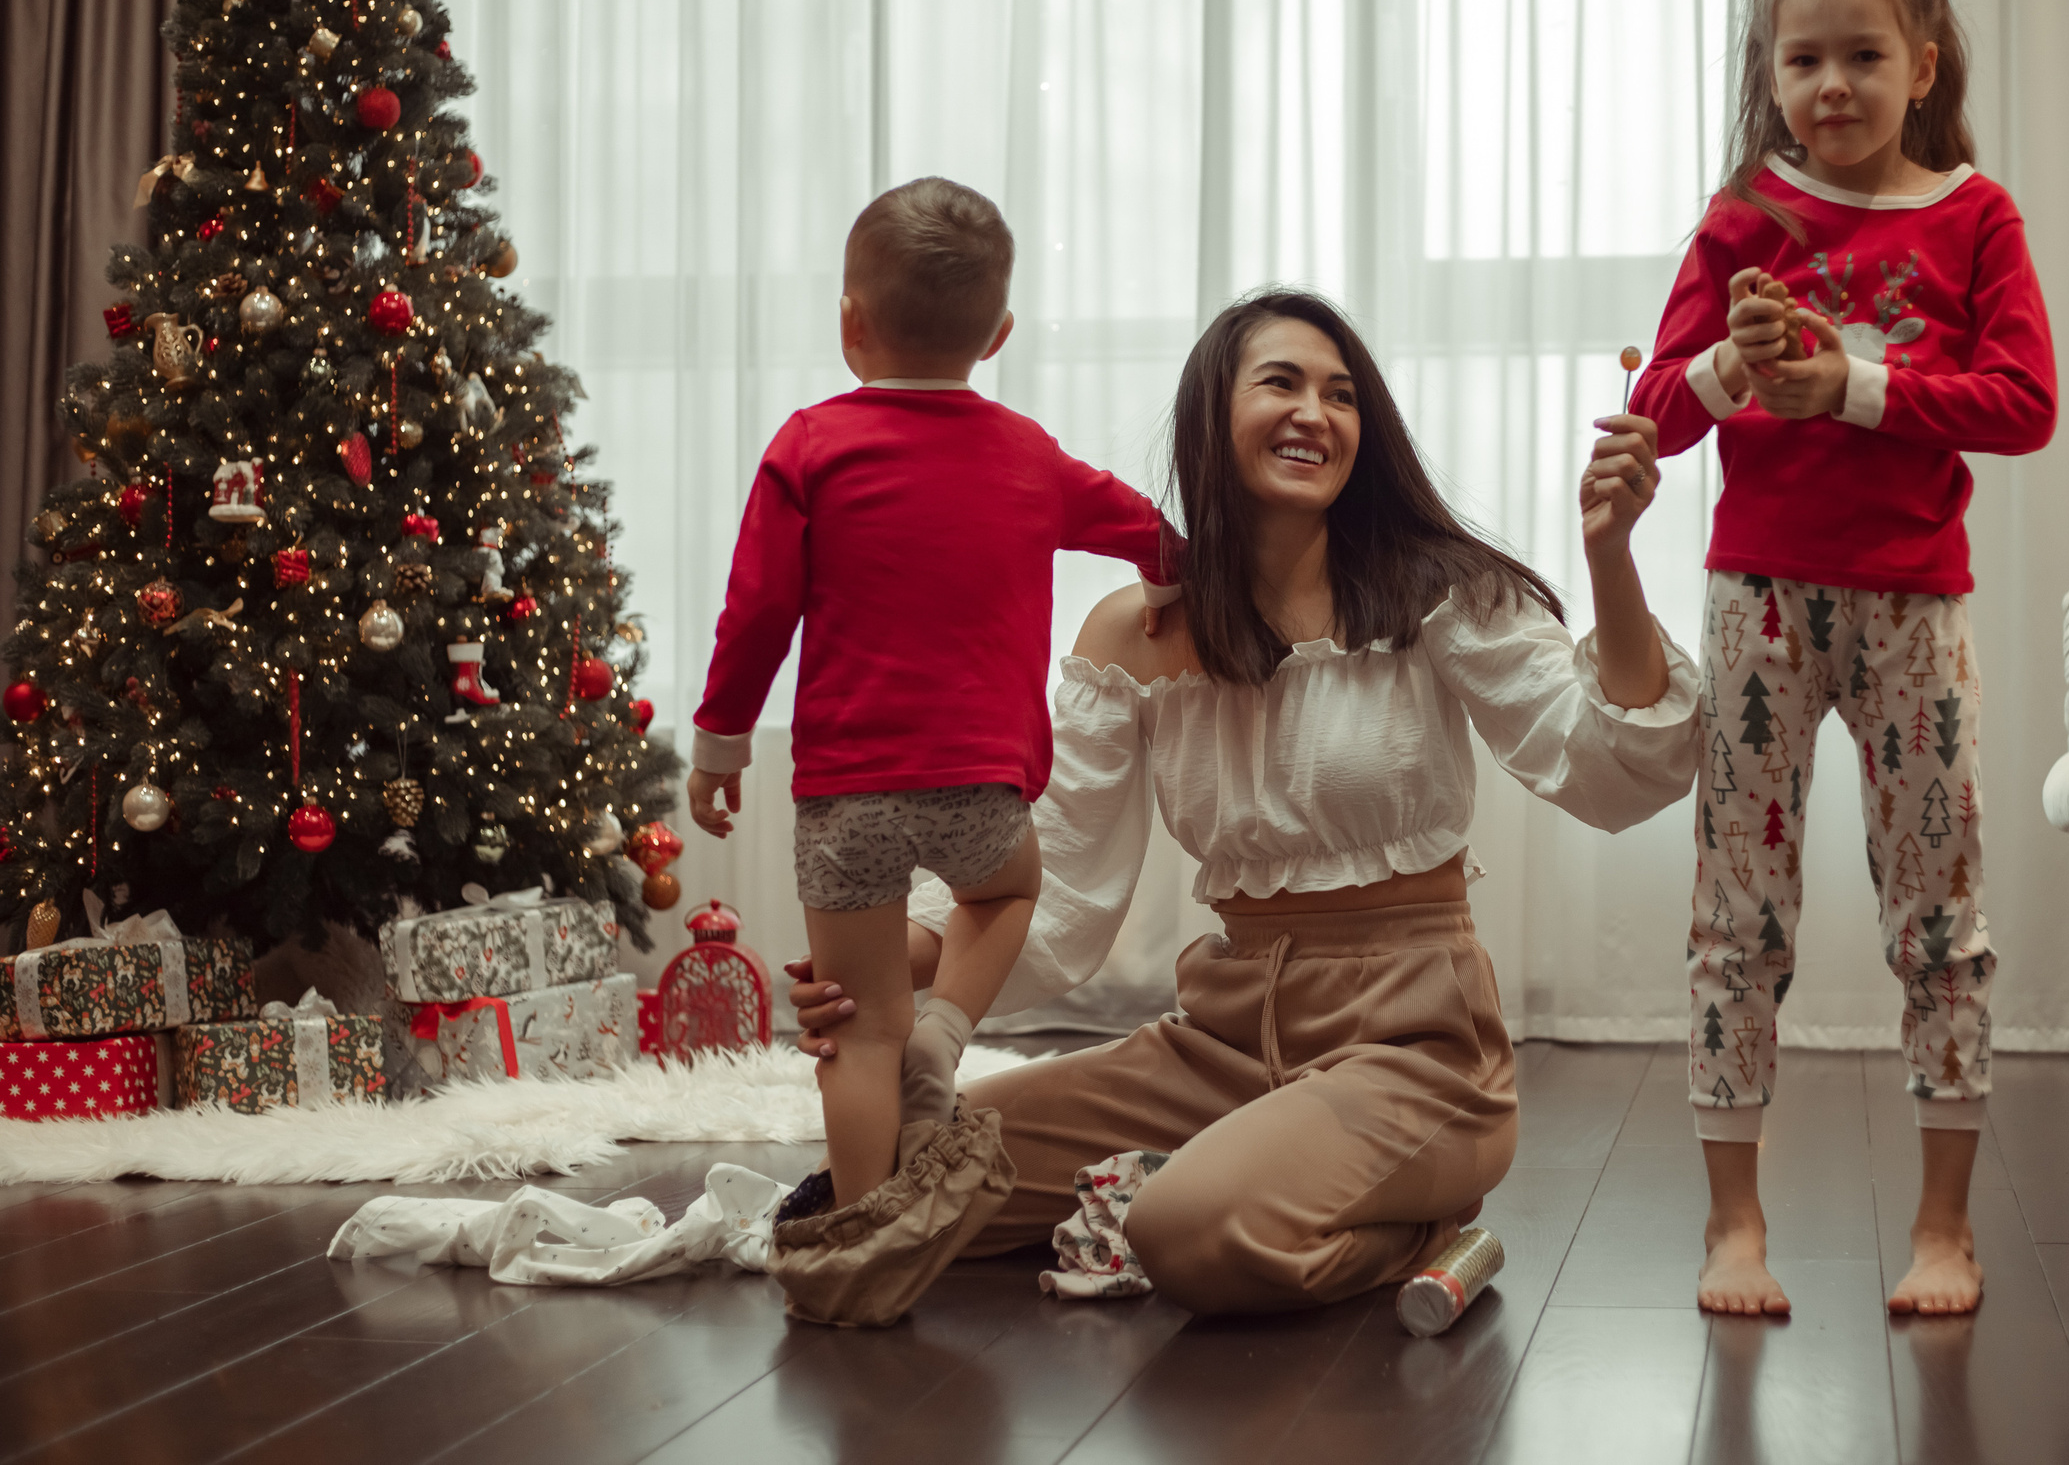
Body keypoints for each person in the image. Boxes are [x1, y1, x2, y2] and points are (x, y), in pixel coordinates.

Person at [788, 288, 1701, 1315]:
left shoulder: (1433, 595)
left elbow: (1613, 763)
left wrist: (1610, 557)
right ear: (1210, 416)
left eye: (1343, 394)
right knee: (918, 1168)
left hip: (1415, 1054)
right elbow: (1058, 884)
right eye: (1282, 382)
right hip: (1214, 1044)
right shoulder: (1133, 633)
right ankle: (1231, 1175)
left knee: (1184, 1230)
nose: (1317, 411)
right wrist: (873, 972)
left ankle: (1413, 1231)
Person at [1634, 0, 2057, 1318]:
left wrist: (1854, 388)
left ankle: (1946, 1230)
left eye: (1863, 55)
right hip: (1757, 593)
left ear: (1921, 67)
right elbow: (1662, 412)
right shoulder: (1741, 213)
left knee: (1940, 916)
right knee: (1735, 921)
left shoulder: (1977, 215)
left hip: (1917, 605)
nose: (1832, 83)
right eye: (1803, 57)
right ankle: (1729, 1227)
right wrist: (1731, 362)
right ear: (1769, 71)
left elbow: (2025, 404)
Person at [683, 177, 1180, 1281]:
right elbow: (1145, 528)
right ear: (997, 335)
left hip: (846, 794)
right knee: (1003, 895)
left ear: (849, 321)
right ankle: (947, 1033)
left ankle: (865, 1246)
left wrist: (720, 744)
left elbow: (756, 609)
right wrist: (1172, 574)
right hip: (982, 793)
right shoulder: (1029, 456)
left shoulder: (810, 447)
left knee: (856, 1027)